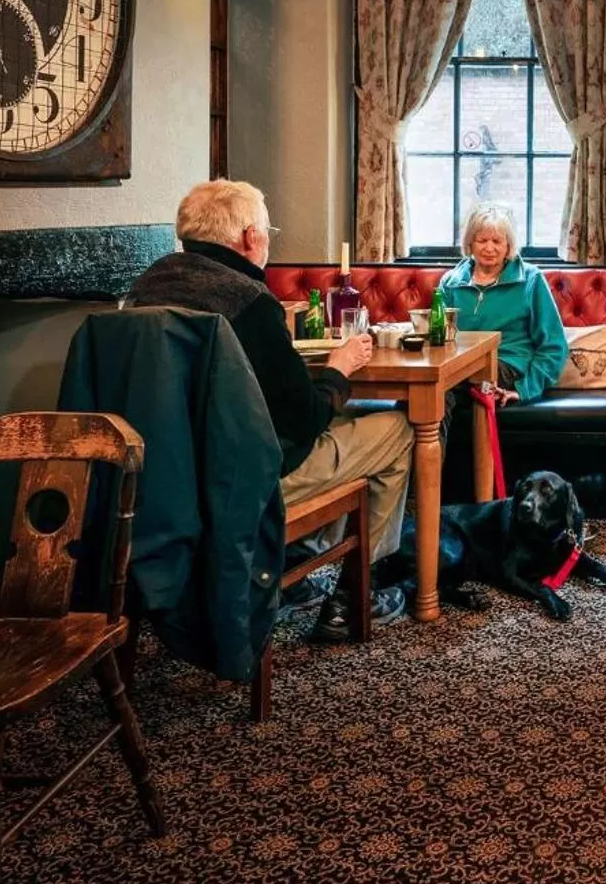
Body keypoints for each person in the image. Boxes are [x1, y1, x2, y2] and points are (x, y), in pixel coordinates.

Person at [127, 179, 413, 626]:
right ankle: (355, 594)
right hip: (241, 486)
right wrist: (338, 369)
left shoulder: (142, 291)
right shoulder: (249, 300)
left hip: (160, 484)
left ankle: (292, 564)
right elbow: (305, 420)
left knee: (347, 421)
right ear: (250, 237)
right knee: (396, 429)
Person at [437, 202, 568, 406]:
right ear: (470, 243)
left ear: (508, 245)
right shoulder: (450, 282)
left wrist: (524, 389)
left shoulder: (531, 279)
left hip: (507, 364)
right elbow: (438, 338)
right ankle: (410, 438)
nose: (489, 248)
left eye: (497, 241)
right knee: (426, 392)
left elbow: (554, 344)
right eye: (482, 240)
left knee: (438, 386)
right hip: (456, 366)